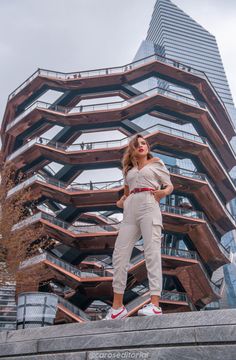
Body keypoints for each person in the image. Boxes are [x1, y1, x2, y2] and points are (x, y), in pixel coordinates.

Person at [104, 134, 174, 320]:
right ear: (132, 150)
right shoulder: (128, 170)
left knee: (151, 253)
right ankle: (117, 308)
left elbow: (169, 186)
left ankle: (155, 305)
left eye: (143, 143)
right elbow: (126, 194)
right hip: (130, 211)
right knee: (119, 255)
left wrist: (162, 193)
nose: (141, 146)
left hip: (149, 204)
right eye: (137, 145)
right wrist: (121, 202)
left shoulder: (156, 163)